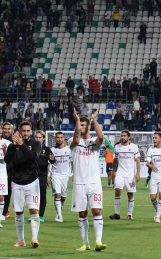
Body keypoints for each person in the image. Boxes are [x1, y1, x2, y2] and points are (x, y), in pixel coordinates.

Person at [70, 107, 107, 252]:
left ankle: (98, 241)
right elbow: (76, 139)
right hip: (79, 183)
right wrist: (77, 121)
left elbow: (101, 138)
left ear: (89, 127)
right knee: (82, 214)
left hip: (94, 183)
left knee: (96, 211)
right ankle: (85, 243)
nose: (82, 127)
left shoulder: (94, 142)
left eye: (84, 125)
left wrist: (94, 120)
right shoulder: (73, 142)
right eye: (80, 125)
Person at [5, 122, 42, 248]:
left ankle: (34, 238)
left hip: (32, 182)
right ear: (20, 131)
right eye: (23, 131)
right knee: (18, 212)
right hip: (16, 182)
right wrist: (12, 147)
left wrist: (21, 145)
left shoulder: (36, 144)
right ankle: (20, 239)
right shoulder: (13, 145)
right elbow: (7, 160)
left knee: (33, 210)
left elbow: (33, 158)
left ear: (31, 132)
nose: (25, 133)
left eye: (28, 131)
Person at [109, 130, 140, 220]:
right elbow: (115, 160)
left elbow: (138, 160)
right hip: (120, 173)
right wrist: (114, 171)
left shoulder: (134, 147)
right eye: (122, 135)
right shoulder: (117, 147)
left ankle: (129, 214)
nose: (122, 137)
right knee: (117, 191)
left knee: (130, 194)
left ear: (129, 137)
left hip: (130, 174)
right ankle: (116, 213)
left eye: (125, 136)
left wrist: (138, 173)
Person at [50, 131, 71, 222]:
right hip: (55, 175)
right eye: (57, 137)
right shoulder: (52, 150)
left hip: (65, 176)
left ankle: (58, 211)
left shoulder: (69, 150)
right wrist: (48, 176)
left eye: (61, 137)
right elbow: (48, 164)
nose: (59, 139)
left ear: (64, 139)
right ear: (55, 139)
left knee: (63, 197)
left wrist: (74, 174)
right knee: (57, 195)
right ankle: (59, 215)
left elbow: (73, 162)